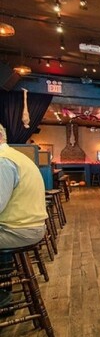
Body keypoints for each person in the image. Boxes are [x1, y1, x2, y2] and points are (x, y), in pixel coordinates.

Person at [0, 123, 47, 306]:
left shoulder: (3, 161)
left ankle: (3, 297)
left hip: (21, 229)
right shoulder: (16, 157)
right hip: (30, 226)